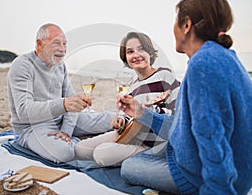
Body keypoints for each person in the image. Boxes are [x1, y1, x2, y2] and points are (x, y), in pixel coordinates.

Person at [119, 0, 252, 194]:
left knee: (128, 167)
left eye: (176, 21)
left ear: (187, 24)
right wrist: (141, 112)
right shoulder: (222, 57)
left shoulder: (203, 64)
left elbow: (212, 138)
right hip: (192, 154)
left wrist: (218, 190)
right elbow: (186, 127)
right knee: (137, 158)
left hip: (204, 175)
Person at [7, 23, 114, 163]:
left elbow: (71, 103)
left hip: (60, 120)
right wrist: (63, 105)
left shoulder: (60, 66)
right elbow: (24, 112)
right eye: (56, 43)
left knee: (111, 119)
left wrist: (66, 132)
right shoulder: (22, 65)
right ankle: (77, 142)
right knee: (64, 153)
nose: (62, 50)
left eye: (65, 44)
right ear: (40, 44)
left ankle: (73, 140)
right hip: (33, 128)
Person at [74, 32, 180, 166]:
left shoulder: (164, 75)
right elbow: (130, 121)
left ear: (150, 53)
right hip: (132, 136)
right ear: (126, 58)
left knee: (101, 154)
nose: (136, 55)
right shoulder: (133, 86)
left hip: (152, 144)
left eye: (141, 49)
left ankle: (142, 157)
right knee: (80, 149)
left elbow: (178, 116)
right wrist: (121, 121)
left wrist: (151, 110)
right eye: (130, 52)